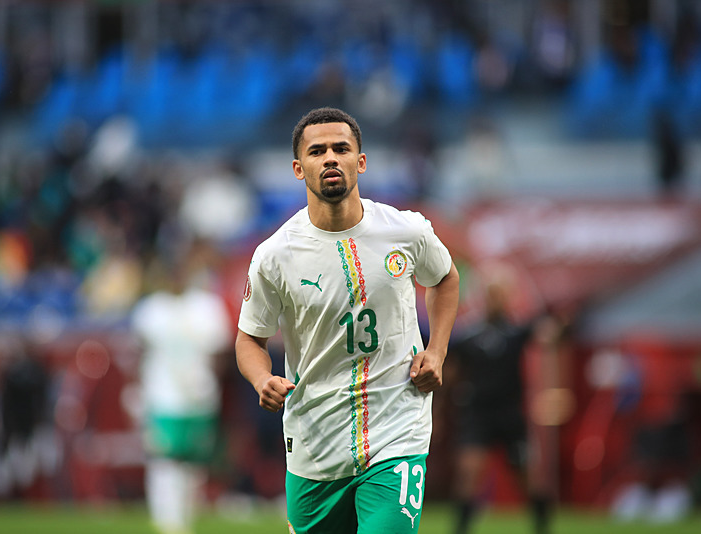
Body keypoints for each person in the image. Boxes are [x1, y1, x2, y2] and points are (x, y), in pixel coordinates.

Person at [235, 107, 460, 533]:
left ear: (361, 161)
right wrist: (262, 379)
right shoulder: (274, 255)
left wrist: (437, 351)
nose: (330, 158)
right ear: (299, 168)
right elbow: (249, 339)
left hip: (398, 428)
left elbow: (445, 278)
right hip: (315, 441)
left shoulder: (406, 231)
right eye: (317, 151)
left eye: (341, 148)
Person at [131, 241, 232, 534]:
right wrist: (137, 390)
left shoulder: (206, 307)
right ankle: (167, 520)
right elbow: (139, 351)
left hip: (199, 396)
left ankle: (186, 518)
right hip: (162, 396)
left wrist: (209, 384)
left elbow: (219, 351)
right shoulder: (151, 310)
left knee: (194, 461)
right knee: (164, 458)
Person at [445, 273, 557, 534]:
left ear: (508, 297)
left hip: (510, 415)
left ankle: (542, 524)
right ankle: (461, 528)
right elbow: (450, 372)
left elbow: (550, 335)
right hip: (477, 414)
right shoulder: (468, 335)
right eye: (491, 294)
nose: (495, 299)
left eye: (500, 294)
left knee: (527, 478)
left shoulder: (517, 331)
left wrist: (558, 325)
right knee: (468, 473)